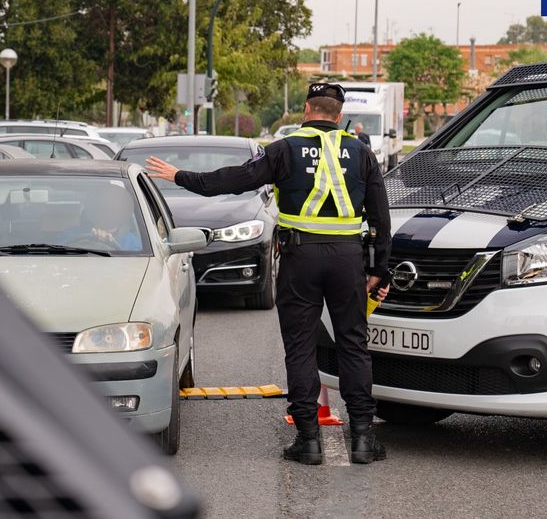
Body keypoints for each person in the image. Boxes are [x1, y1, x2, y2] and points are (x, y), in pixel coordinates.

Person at [145, 83, 392, 465]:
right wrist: (379, 268)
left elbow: (230, 181)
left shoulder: (282, 150)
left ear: (306, 110)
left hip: (300, 259)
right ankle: (362, 439)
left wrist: (180, 176)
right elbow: (380, 216)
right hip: (347, 261)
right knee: (353, 345)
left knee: (300, 346)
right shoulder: (361, 153)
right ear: (339, 116)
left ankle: (308, 441)